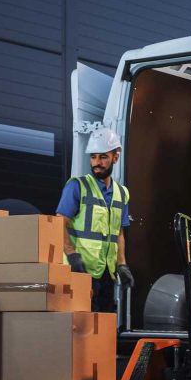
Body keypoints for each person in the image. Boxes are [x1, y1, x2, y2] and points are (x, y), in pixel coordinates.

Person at [56, 127, 134, 312]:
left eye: (103, 157)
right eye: (93, 157)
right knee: (82, 325)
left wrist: (122, 265)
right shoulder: (77, 186)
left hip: (107, 273)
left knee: (104, 325)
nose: (96, 162)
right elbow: (59, 223)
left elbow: (119, 233)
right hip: (80, 270)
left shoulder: (122, 193)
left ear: (116, 157)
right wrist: (71, 254)